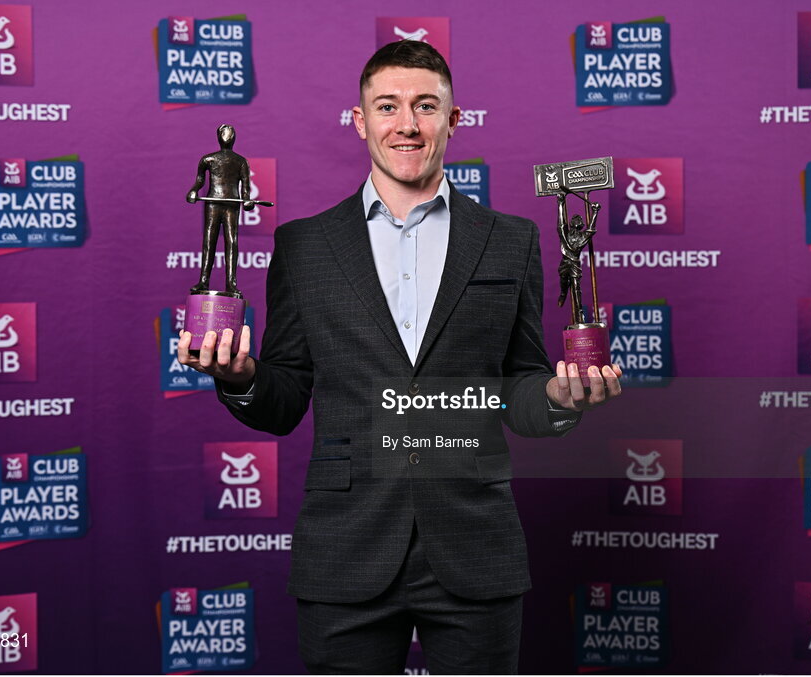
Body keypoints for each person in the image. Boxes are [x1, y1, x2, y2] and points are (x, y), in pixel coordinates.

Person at [178, 40, 622, 674]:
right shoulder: (305, 246)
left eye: (425, 106)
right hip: (346, 547)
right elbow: (283, 400)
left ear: (453, 119)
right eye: (387, 106)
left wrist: (556, 397)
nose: (406, 124)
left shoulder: (511, 241)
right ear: (360, 122)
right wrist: (242, 377)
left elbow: (519, 385)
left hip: (475, 542)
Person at [186, 123, 254, 296]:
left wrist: (247, 201)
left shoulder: (241, 161)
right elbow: (200, 181)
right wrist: (193, 191)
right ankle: (203, 281)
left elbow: (246, 188)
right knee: (209, 241)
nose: (228, 136)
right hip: (213, 203)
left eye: (230, 133)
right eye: (224, 133)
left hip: (232, 204)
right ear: (218, 136)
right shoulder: (208, 159)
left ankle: (231, 283)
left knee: (232, 242)